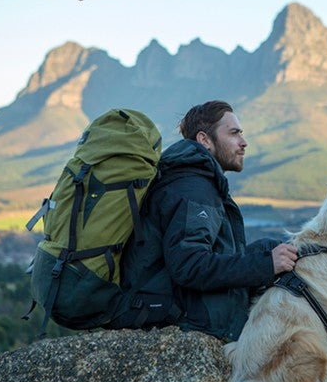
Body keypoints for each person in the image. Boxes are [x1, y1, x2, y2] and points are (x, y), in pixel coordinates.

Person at [108, 100, 297, 341]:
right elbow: (189, 265)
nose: (243, 142)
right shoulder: (194, 189)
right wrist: (265, 265)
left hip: (172, 309)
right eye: (234, 133)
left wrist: (264, 256)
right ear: (205, 140)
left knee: (267, 247)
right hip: (178, 323)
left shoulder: (192, 180)